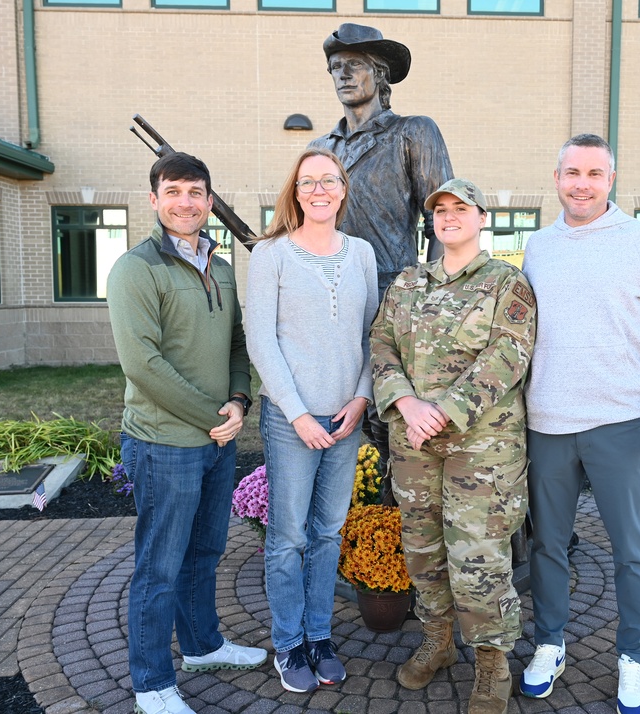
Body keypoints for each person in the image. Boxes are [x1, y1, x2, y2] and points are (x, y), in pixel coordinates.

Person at [518, 134, 640, 714]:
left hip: (617, 422)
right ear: (555, 178)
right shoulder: (537, 247)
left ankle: (633, 661)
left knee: (632, 549)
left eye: (594, 173)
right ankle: (549, 644)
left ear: (611, 179)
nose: (582, 183)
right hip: (547, 422)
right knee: (548, 545)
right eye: (572, 172)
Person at [107, 152, 267, 714]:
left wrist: (239, 399)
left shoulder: (219, 266)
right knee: (160, 564)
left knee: (205, 550)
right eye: (173, 191)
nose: (185, 202)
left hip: (217, 438)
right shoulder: (135, 269)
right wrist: (213, 416)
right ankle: (151, 683)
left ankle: (202, 647)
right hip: (164, 443)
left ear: (208, 201)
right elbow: (143, 365)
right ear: (154, 199)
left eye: (195, 192)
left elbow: (236, 344)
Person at [370, 178, 536, 714]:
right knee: (422, 551)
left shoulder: (506, 283)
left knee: (480, 559)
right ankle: (438, 640)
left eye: (459, 208)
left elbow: (508, 354)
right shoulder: (407, 283)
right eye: (439, 210)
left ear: (481, 217)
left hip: (480, 449)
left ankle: (491, 664)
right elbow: (381, 346)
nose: (448, 216)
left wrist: (445, 410)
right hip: (414, 443)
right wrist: (407, 406)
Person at [245, 148, 379, 694]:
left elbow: (376, 336)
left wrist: (363, 398)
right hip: (290, 420)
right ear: (295, 192)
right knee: (287, 538)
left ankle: (319, 637)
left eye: (329, 180)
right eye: (307, 182)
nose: (318, 190)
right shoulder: (271, 254)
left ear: (343, 189)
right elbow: (261, 340)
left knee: (328, 534)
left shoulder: (363, 254)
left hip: (346, 418)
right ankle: (288, 643)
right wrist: (297, 413)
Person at [310, 22, 454, 486]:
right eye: (335, 67)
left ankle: (405, 517)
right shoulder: (321, 149)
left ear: (380, 74)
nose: (342, 75)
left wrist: (429, 295)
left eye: (353, 65)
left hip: (398, 294)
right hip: (333, 301)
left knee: (399, 414)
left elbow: (442, 219)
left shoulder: (413, 133)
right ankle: (355, 517)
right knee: (342, 410)